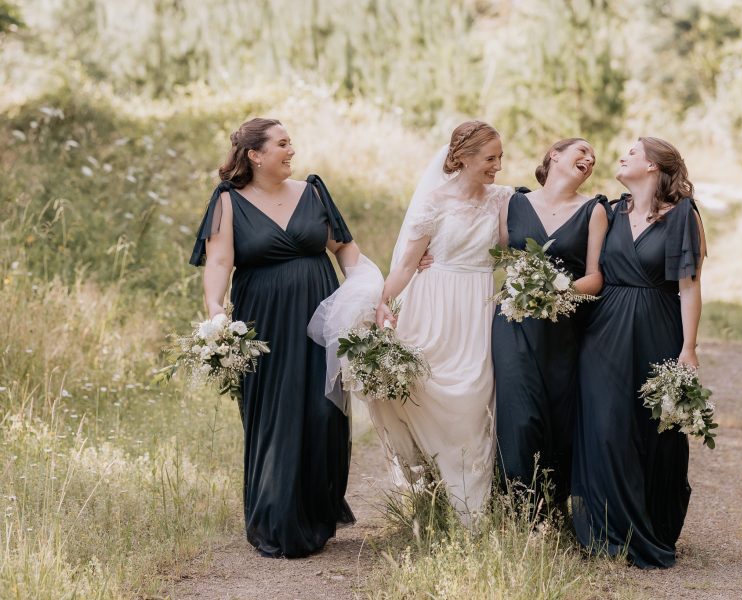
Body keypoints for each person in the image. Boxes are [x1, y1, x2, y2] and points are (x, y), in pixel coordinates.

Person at [189, 118, 360, 557]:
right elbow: (219, 262)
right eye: (282, 144)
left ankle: (317, 511)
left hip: (321, 316)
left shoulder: (313, 191)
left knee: (324, 413)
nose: (292, 150)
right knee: (276, 414)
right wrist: (215, 313)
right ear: (255, 154)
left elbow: (344, 249)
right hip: (263, 321)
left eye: (291, 143)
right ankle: (275, 517)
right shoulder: (229, 202)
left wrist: (371, 293)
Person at [367, 120, 512, 524]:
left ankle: (474, 517)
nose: (497, 166)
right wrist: (383, 304)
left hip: (478, 307)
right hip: (433, 307)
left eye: (500, 157)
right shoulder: (433, 201)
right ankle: (435, 499)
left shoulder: (502, 199)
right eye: (489, 158)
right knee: (423, 392)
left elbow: (511, 250)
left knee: (473, 403)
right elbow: (407, 266)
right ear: (462, 158)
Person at [571, 136, 706, 568]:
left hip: (658, 329)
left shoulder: (684, 216)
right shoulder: (607, 212)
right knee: (605, 425)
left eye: (631, 151)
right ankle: (609, 531)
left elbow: (689, 286)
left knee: (655, 431)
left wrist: (689, 347)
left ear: (652, 166)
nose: (621, 155)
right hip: (604, 332)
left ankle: (652, 526)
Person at [491, 138, 607, 514]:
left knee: (557, 415)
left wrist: (556, 291)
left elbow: (594, 277)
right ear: (554, 156)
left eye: (593, 158)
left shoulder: (593, 211)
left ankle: (552, 506)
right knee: (518, 414)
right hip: (515, 324)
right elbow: (487, 250)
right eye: (582, 151)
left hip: (564, 329)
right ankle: (516, 509)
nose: (589, 159)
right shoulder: (514, 202)